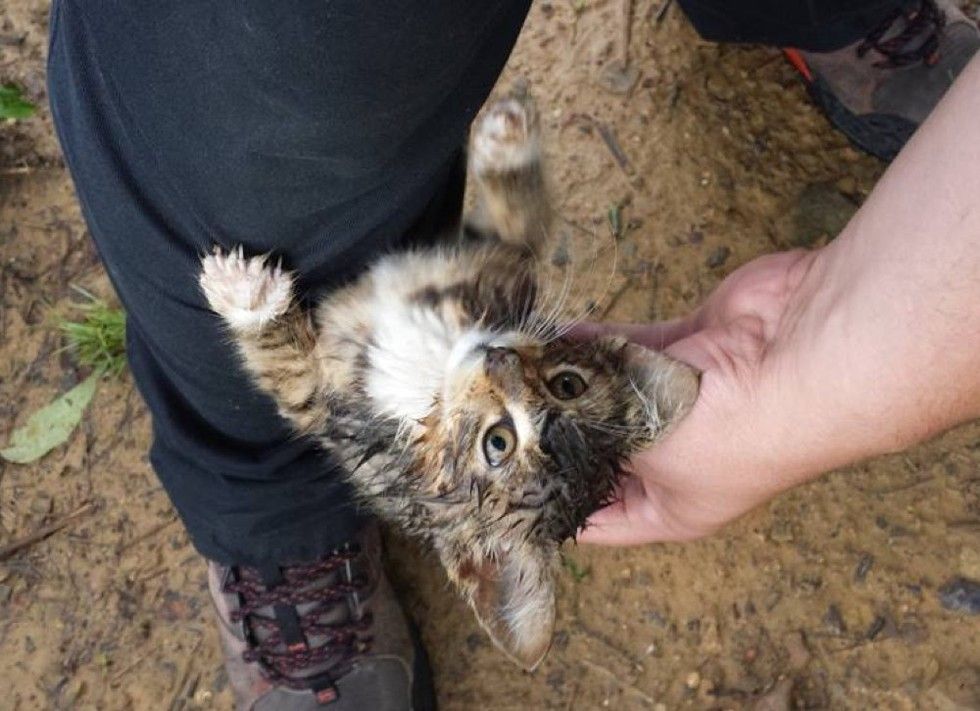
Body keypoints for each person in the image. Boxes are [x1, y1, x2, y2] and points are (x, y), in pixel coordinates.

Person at [46, 0, 978, 708]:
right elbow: (507, 266)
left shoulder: (424, 453)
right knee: (273, 89)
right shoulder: (512, 356)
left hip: (336, 360)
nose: (507, 374)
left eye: (500, 442)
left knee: (259, 286)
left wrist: (266, 326)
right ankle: (274, 512)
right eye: (565, 381)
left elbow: (318, 385)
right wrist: (793, 369)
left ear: (472, 556)